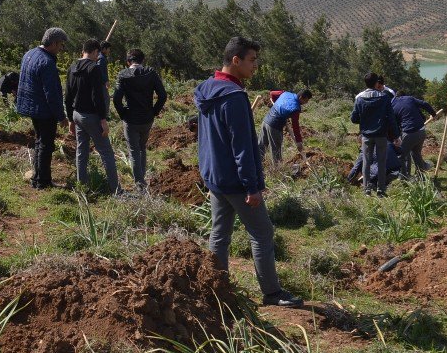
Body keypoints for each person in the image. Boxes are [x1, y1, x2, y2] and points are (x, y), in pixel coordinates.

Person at [194, 36, 303, 308]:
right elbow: (241, 145)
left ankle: (217, 290)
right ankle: (272, 293)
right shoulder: (234, 97)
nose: (256, 66)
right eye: (252, 60)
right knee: (262, 233)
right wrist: (251, 186)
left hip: (215, 176)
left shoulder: (206, 89)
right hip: (236, 180)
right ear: (235, 60)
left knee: (219, 234)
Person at [16, 27, 68, 189]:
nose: (61, 49)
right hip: (43, 110)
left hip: (32, 106)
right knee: (46, 145)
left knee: (40, 142)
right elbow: (51, 94)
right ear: (53, 43)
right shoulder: (47, 63)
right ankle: (43, 181)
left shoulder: (29, 54)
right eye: (60, 45)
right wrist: (61, 117)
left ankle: (37, 176)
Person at [66, 39, 120, 194]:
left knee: (81, 151)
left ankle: (81, 187)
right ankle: (116, 191)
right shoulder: (94, 68)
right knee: (106, 152)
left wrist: (70, 118)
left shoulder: (72, 67)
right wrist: (103, 120)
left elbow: (68, 96)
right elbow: (97, 97)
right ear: (95, 51)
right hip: (91, 116)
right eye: (98, 54)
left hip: (77, 115)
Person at [112, 48, 167, 191]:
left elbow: (117, 99)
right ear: (143, 60)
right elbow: (162, 95)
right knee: (142, 147)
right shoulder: (151, 73)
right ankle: (141, 179)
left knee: (134, 150)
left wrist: (123, 114)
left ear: (128, 61)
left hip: (131, 119)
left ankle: (140, 184)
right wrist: (154, 111)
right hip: (147, 118)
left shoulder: (123, 75)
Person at [351, 72, 398, 196]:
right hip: (381, 135)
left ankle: (366, 190)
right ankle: (381, 190)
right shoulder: (384, 98)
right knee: (382, 162)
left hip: (366, 135)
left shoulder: (360, 98)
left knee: (366, 162)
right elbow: (391, 118)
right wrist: (396, 135)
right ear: (377, 83)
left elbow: (354, 119)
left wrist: (365, 119)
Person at [258, 89, 312, 165]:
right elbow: (295, 126)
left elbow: (272, 93)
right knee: (276, 151)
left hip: (266, 121)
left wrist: (276, 104)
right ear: (301, 97)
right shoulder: (295, 108)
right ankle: (277, 172)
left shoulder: (286, 93)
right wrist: (299, 142)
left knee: (261, 146)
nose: (306, 103)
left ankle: (257, 165)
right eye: (306, 100)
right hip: (275, 127)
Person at [391, 92, 438, 177]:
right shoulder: (409, 98)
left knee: (401, 156)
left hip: (410, 133)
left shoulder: (392, 107)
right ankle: (421, 177)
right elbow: (425, 104)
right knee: (416, 153)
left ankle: (404, 178)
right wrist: (433, 114)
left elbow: (395, 125)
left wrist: (396, 138)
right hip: (422, 131)